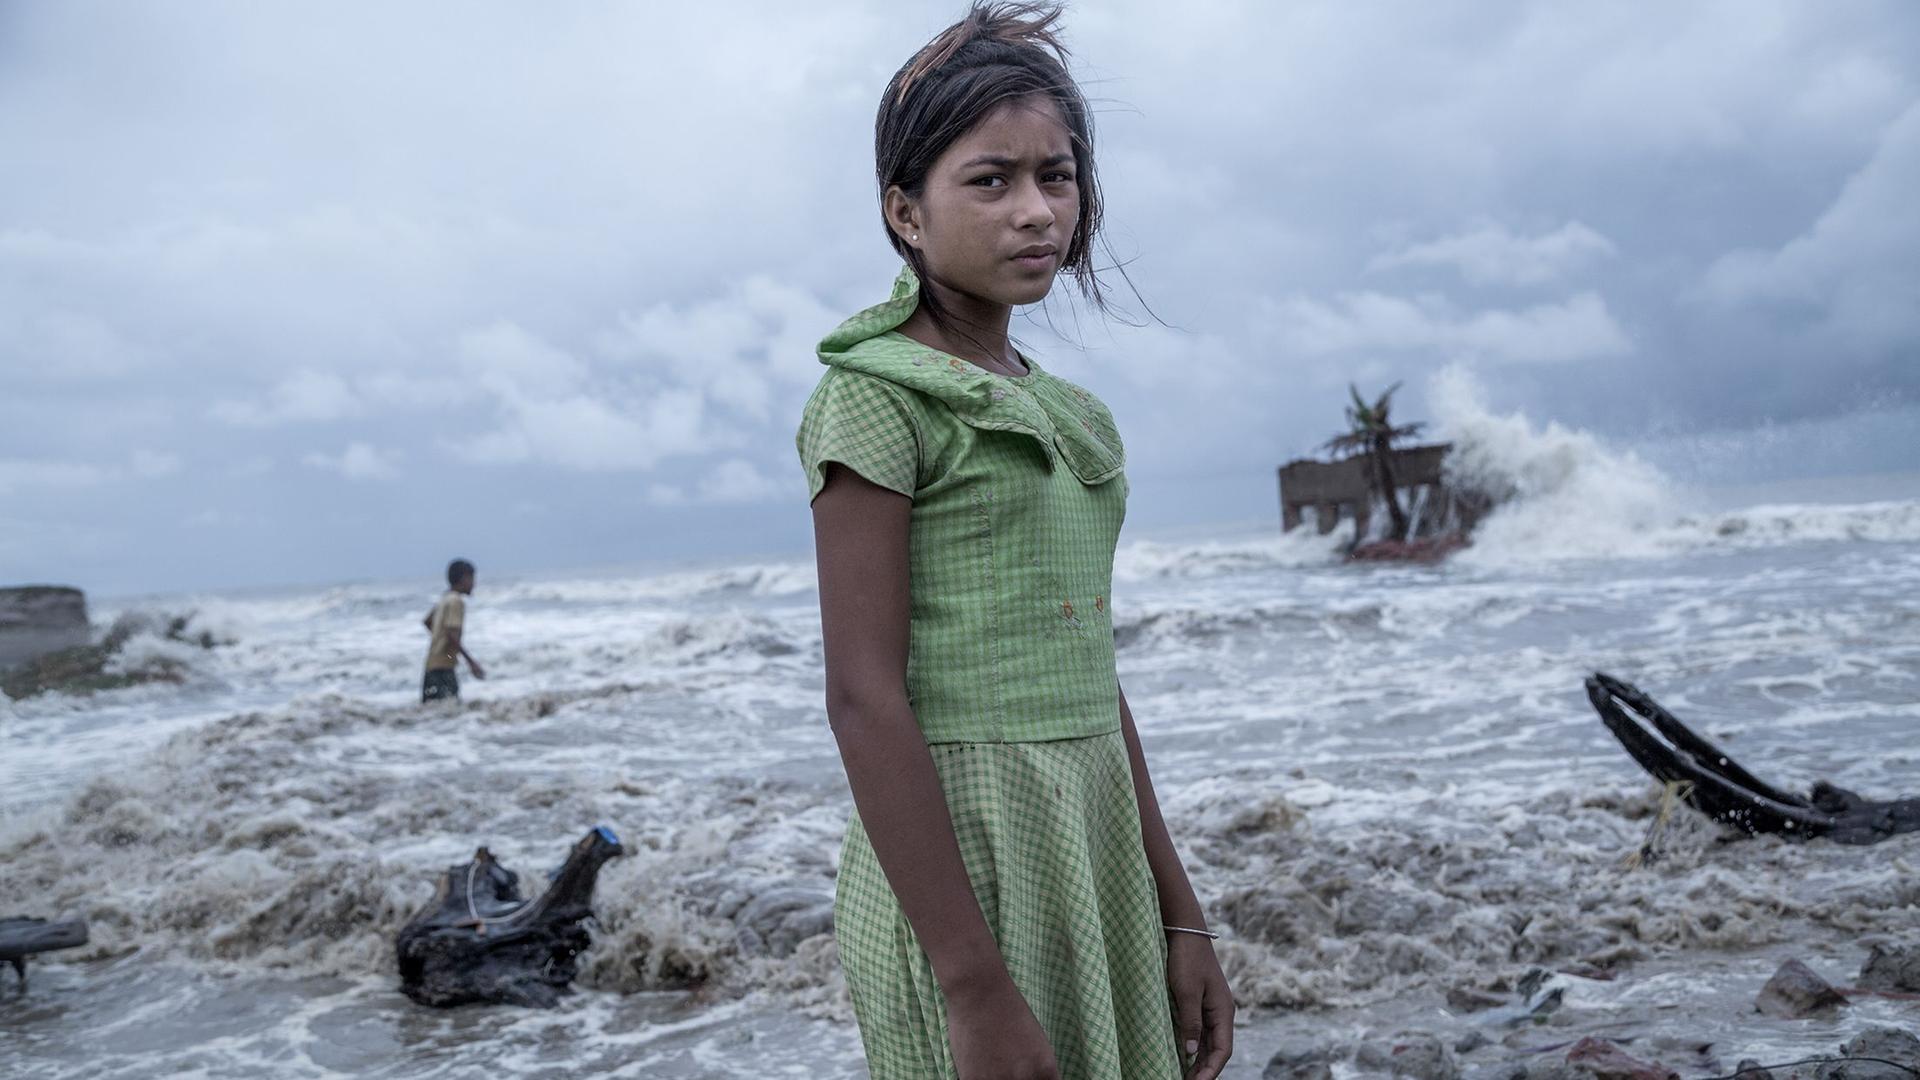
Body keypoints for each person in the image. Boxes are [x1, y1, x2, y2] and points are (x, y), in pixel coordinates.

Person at [796, 5, 1233, 1078]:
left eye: (1058, 175)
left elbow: (1090, 671)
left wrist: (1183, 917)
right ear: (906, 211)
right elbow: (863, 695)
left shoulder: (1072, 415)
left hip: (1094, 848)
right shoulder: (876, 401)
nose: (1036, 211)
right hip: (967, 860)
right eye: (989, 181)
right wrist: (973, 986)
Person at [422, 558, 484, 702]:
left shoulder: (444, 598)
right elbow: (451, 634)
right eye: (472, 579)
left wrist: (439, 639)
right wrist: (471, 663)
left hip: (431, 664)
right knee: (450, 707)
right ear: (463, 579)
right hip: (444, 667)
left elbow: (427, 622)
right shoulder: (456, 601)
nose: (474, 584)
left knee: (434, 714)